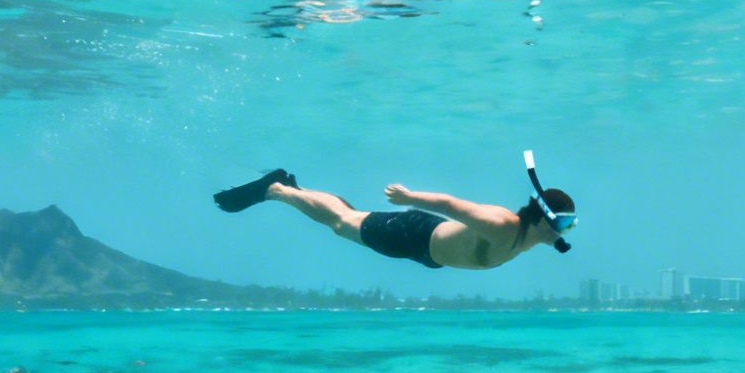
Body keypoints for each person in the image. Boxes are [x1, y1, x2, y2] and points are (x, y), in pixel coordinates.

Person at [212, 160, 575, 271]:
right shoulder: (503, 225)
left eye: (570, 225)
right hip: (413, 233)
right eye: (563, 223)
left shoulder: (530, 237)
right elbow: (450, 205)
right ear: (542, 218)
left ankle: (296, 188)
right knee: (341, 224)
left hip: (428, 253)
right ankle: (277, 190)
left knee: (348, 216)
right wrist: (408, 197)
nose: (565, 232)